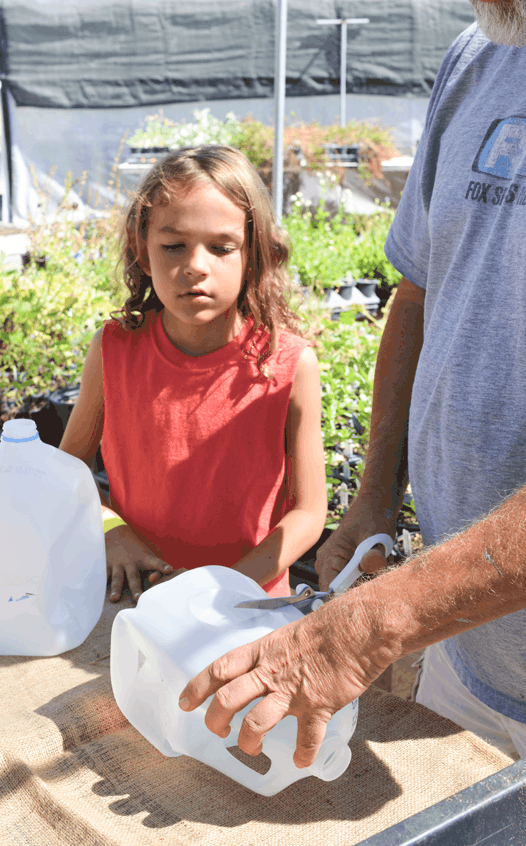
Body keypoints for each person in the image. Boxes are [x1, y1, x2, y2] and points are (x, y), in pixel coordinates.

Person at [177, 0, 526, 766]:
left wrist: (374, 624)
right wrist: (375, 497)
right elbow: (421, 293)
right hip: (464, 651)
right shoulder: (481, 55)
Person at [60, 145, 327, 601]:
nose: (195, 266)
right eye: (173, 246)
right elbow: (66, 470)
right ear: (143, 254)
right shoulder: (114, 349)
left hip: (247, 603)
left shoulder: (290, 364)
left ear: (254, 254)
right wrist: (110, 530)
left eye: (222, 247)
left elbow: (308, 514)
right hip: (135, 595)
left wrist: (221, 588)